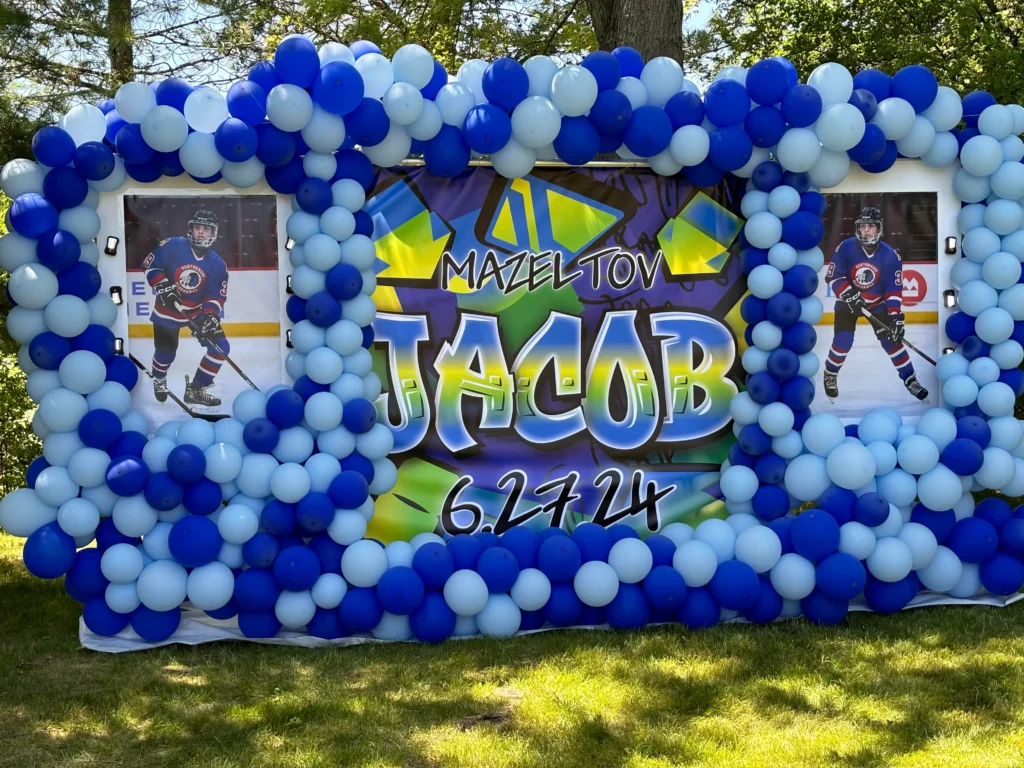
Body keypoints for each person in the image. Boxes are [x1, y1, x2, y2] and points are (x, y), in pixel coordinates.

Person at [823, 205, 928, 403]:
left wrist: (895, 318)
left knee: (893, 343)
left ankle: (910, 379)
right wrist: (849, 295)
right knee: (842, 342)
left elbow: (893, 290)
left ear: (879, 228)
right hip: (848, 303)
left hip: (877, 305)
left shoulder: (890, 256)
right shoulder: (846, 247)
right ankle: (830, 374)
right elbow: (833, 277)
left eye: (870, 226)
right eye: (863, 227)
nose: (866, 231)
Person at [142, 208, 230, 408]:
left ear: (213, 233)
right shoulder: (173, 245)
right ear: (190, 229)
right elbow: (150, 265)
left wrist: (210, 317)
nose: (200, 232)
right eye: (197, 227)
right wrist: (162, 285)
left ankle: (196, 389)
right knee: (166, 353)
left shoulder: (217, 264)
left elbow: (216, 295)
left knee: (220, 348)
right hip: (167, 311)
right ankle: (159, 378)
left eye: (206, 229)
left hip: (197, 312)